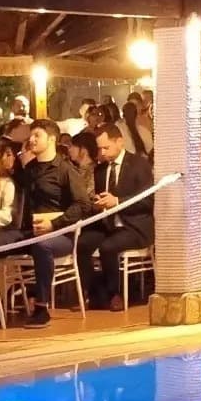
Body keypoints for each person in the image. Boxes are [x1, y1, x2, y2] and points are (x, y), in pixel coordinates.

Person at [8, 118, 92, 326]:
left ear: (52, 139)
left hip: (60, 235)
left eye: (37, 135)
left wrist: (53, 225)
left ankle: (42, 306)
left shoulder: (66, 170)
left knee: (41, 244)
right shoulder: (30, 169)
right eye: (31, 135)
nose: (32, 140)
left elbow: (83, 205)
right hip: (30, 230)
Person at [76, 124, 154, 312]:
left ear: (119, 142)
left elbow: (148, 200)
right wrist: (99, 202)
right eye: (99, 148)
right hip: (109, 224)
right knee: (82, 244)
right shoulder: (101, 169)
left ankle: (114, 294)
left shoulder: (139, 164)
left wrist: (118, 201)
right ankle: (95, 292)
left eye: (106, 147)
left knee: (108, 247)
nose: (102, 152)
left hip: (135, 225)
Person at [122, 91, 154, 158]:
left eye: (136, 104)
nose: (134, 107)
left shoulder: (148, 121)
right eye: (131, 105)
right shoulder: (121, 124)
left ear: (141, 105)